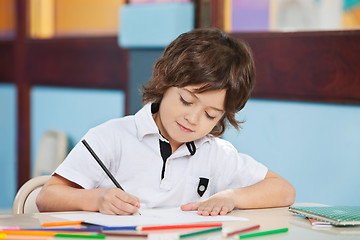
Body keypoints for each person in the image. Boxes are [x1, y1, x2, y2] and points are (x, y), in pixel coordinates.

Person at [36, 28, 296, 216]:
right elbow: (46, 197)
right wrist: (97, 198)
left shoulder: (214, 153)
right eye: (186, 100)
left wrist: (232, 196)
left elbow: (283, 190)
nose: (192, 119)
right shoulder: (112, 137)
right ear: (165, 82)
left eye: (210, 115)